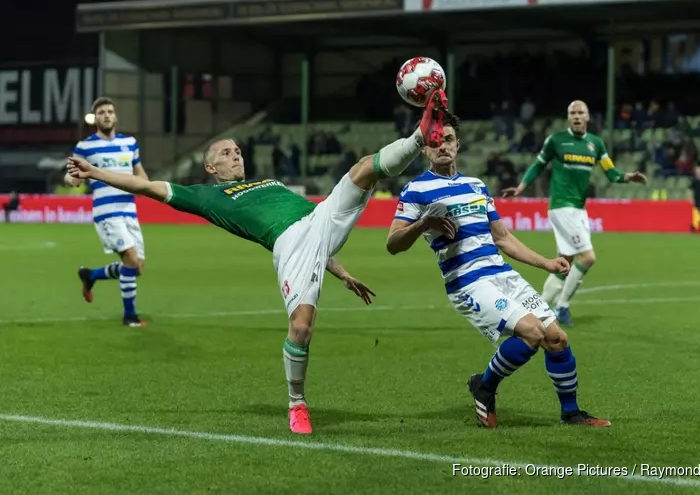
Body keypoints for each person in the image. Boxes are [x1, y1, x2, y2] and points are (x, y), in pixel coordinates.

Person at [67, 88, 450, 435]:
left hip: (320, 219)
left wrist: (342, 272)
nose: (236, 155)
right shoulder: (205, 196)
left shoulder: (272, 184)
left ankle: (421, 134)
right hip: (289, 245)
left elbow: (318, 236)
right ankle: (296, 402)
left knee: (365, 166)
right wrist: (95, 172)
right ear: (211, 167)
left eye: (237, 150)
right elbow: (145, 186)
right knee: (301, 328)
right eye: (226, 153)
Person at [386, 112, 611, 428]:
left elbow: (503, 238)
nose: (442, 146)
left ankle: (571, 413)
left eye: (448, 139)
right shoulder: (416, 190)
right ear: (425, 148)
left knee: (556, 338)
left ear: (458, 144)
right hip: (467, 281)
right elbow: (393, 243)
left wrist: (546, 263)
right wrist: (425, 223)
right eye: (435, 141)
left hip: (501, 274)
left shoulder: (476, 186)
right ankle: (485, 386)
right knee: (532, 333)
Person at [502, 100, 648, 326]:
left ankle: (538, 310)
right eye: (573, 113)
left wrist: (629, 177)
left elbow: (611, 173)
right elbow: (538, 165)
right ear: (568, 117)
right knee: (588, 257)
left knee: (564, 262)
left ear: (588, 117)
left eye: (581, 113)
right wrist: (521, 187)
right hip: (561, 206)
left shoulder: (595, 144)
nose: (577, 116)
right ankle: (561, 307)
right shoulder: (556, 140)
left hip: (578, 209)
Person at [65, 97, 150, 328]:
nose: (107, 115)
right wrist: (71, 179)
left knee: (136, 267)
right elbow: (70, 173)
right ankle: (129, 317)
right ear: (96, 118)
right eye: (102, 112)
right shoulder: (85, 146)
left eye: (110, 111)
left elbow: (140, 173)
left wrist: (148, 186)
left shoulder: (130, 143)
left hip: (129, 210)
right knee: (131, 260)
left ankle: (91, 275)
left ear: (115, 116)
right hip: (107, 212)